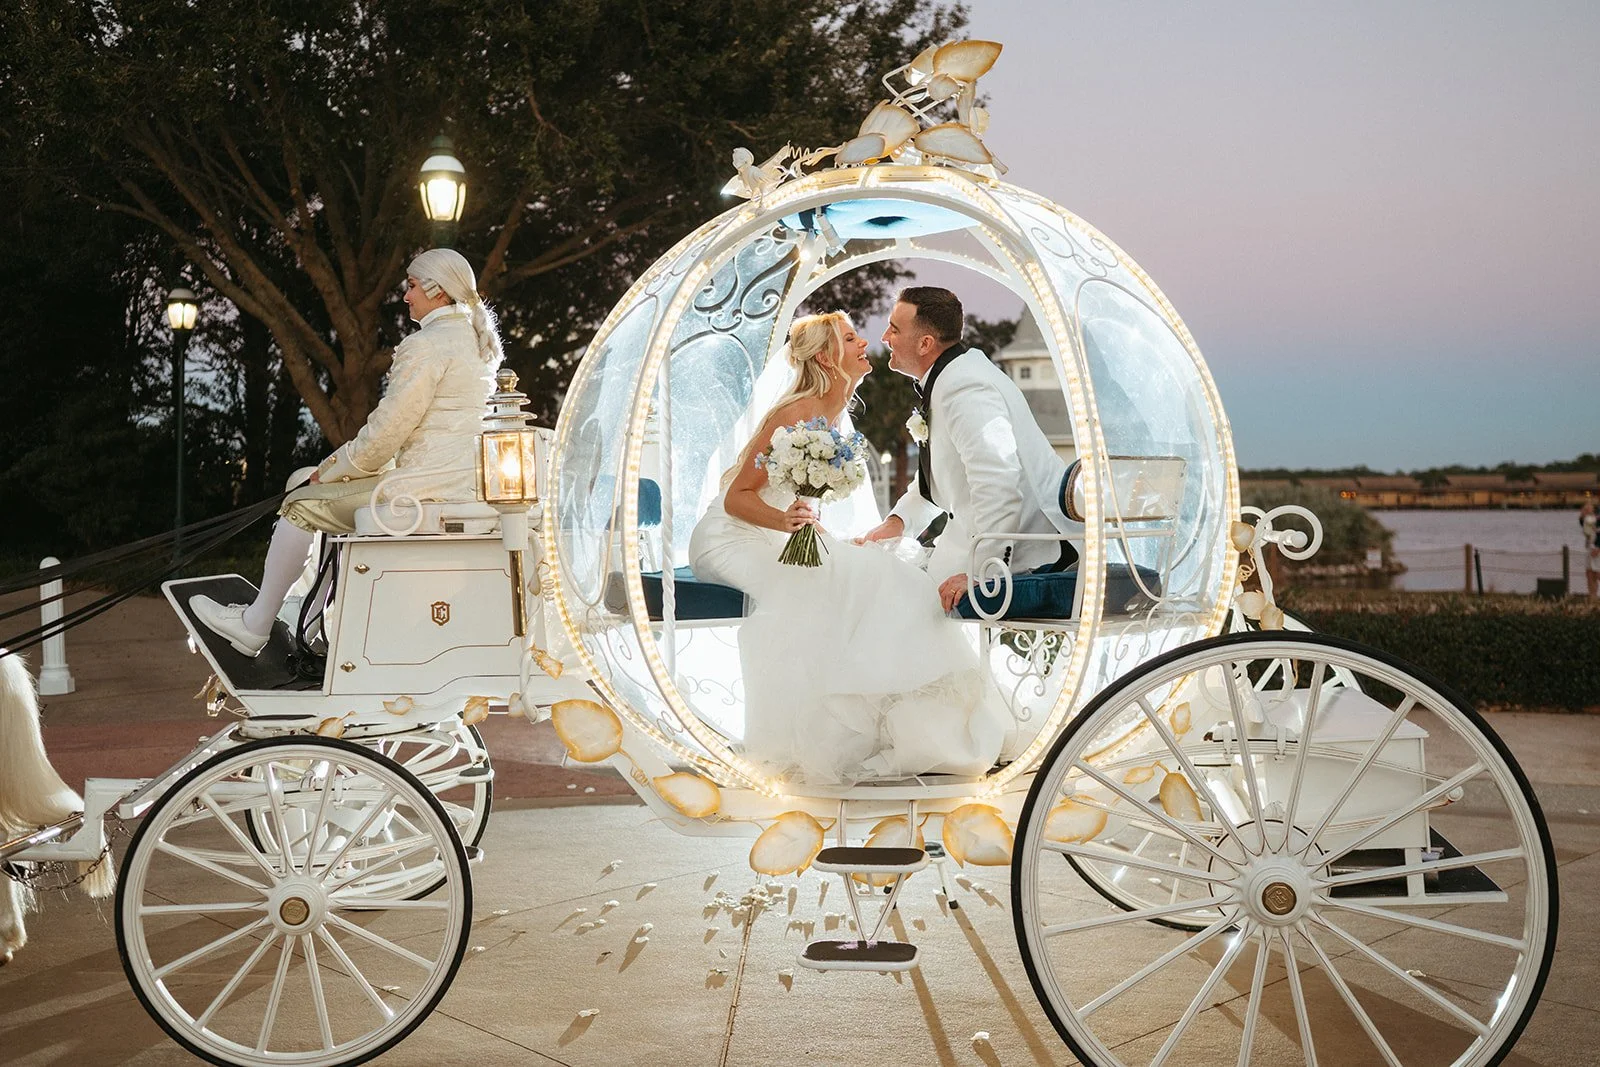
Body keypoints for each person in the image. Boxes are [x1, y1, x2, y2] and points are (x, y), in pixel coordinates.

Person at [688, 311, 1007, 784]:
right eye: (851, 337)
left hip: (779, 533)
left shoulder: (838, 417)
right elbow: (737, 498)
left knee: (880, 570)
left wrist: (825, 531)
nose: (867, 343)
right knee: (837, 580)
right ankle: (807, 735)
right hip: (730, 538)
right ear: (824, 355)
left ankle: (908, 722)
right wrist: (788, 521)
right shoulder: (795, 412)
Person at [191, 248, 503, 656]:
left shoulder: (427, 344)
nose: (406, 297)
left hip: (426, 488)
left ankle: (256, 624)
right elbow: (429, 431)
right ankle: (310, 615)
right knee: (305, 482)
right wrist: (334, 471)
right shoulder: (473, 341)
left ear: (437, 291)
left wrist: (333, 470)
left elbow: (388, 431)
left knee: (301, 502)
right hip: (456, 482)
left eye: (411, 287)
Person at [860, 286, 1076, 611]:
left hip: (1030, 553)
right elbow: (937, 479)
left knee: (893, 601)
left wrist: (982, 574)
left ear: (925, 344)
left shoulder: (965, 388)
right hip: (969, 540)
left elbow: (999, 484)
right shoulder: (952, 376)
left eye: (894, 328)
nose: (885, 336)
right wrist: (898, 522)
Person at [1581, 499, 1599, 597]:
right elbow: (1586, 531)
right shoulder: (1587, 520)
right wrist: (1582, 516)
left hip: (1597, 549)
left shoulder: (1596, 518)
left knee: (1597, 574)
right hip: (1590, 549)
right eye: (1584, 509)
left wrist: (1598, 547)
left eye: (1588, 509)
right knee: (1589, 573)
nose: (1586, 510)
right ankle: (1593, 597)